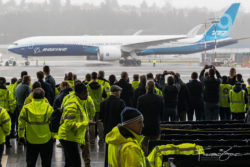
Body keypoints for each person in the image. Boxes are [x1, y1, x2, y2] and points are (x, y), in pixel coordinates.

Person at [57, 83, 95, 167]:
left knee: (69, 163)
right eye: (85, 93)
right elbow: (69, 124)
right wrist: (86, 123)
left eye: (87, 92)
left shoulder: (81, 100)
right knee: (76, 163)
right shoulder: (72, 104)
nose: (87, 95)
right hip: (68, 137)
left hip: (72, 135)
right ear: (77, 93)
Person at [18, 88, 54, 167]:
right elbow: (53, 124)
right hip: (46, 140)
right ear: (44, 96)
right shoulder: (49, 108)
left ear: (32, 96)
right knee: (46, 162)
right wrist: (53, 136)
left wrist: (21, 136)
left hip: (31, 140)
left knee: (31, 163)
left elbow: (21, 124)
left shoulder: (26, 108)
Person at [100, 85, 125, 167]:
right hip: (117, 130)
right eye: (119, 92)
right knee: (117, 150)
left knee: (107, 149)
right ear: (116, 92)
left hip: (107, 129)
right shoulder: (121, 102)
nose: (120, 93)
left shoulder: (103, 103)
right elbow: (123, 118)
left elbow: (101, 117)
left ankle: (106, 164)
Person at [137, 80, 164, 155]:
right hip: (155, 126)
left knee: (144, 146)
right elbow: (162, 114)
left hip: (144, 127)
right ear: (154, 87)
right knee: (155, 147)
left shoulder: (141, 99)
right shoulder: (160, 98)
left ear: (146, 87)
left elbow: (139, 114)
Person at [88, 72, 107, 144]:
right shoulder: (101, 87)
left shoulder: (87, 87)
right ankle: (101, 139)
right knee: (100, 123)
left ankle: (92, 140)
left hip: (90, 108)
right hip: (99, 107)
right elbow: (105, 96)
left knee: (92, 124)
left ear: (91, 77)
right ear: (97, 77)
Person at [0, 77, 16, 147]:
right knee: (7, 127)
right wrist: (12, 112)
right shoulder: (8, 93)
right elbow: (12, 103)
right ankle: (7, 143)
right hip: (6, 113)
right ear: (4, 83)